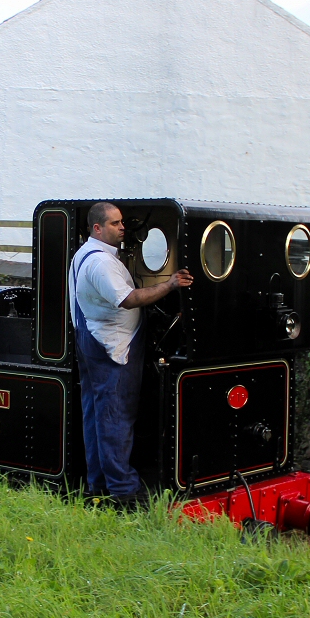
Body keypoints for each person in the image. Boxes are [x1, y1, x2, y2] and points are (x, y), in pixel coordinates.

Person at [71, 202, 193, 506]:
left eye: (122, 222)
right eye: (115, 223)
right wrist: (170, 284)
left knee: (97, 414)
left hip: (94, 338)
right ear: (97, 228)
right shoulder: (100, 263)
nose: (122, 227)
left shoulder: (87, 255)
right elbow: (128, 299)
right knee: (115, 416)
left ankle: (98, 483)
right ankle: (123, 490)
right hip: (112, 345)